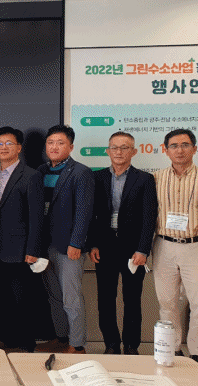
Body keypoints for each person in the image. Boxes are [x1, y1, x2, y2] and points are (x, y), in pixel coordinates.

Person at [87, 131, 157, 355]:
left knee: (132, 300)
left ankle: (131, 345)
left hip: (132, 249)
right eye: (114, 147)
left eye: (124, 147)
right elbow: (91, 215)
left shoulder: (144, 179)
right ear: (108, 151)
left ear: (133, 152)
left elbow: (149, 218)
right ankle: (111, 344)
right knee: (105, 299)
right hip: (105, 247)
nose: (119, 152)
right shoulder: (97, 178)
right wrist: (93, 244)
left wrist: (143, 249)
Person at [34, 125, 94, 354]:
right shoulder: (41, 171)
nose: (54, 147)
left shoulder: (80, 172)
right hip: (45, 245)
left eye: (60, 143)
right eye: (50, 142)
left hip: (69, 246)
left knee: (71, 298)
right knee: (54, 297)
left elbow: (84, 212)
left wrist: (76, 243)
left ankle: (77, 345)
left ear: (70, 147)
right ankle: (61, 338)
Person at [0, 127, 44, 352]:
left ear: (19, 148)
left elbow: (36, 216)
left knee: (22, 298)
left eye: (9, 143)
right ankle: (5, 339)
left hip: (21, 249)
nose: (3, 147)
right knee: (1, 297)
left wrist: (33, 249)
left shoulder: (31, 175)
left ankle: (24, 343)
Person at [152, 128, 198, 362]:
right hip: (164, 245)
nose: (180, 150)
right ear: (166, 150)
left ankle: (196, 352)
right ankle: (173, 349)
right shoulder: (156, 178)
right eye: (174, 146)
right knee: (167, 302)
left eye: (185, 145)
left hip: (194, 246)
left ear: (194, 149)